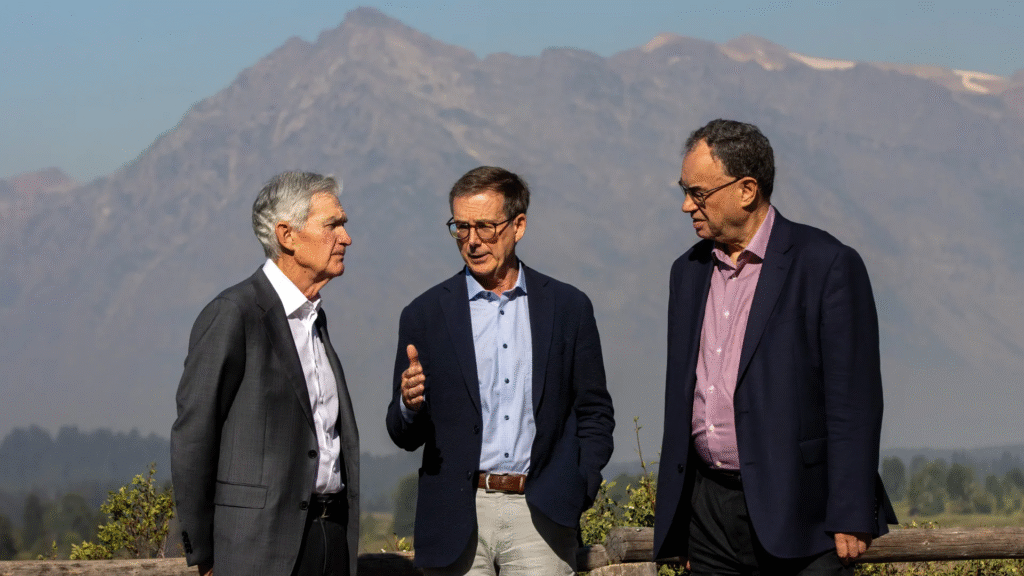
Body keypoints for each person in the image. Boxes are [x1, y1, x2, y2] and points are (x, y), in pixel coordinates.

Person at [653, 120, 896, 575]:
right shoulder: (686, 272)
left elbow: (854, 400)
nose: (687, 206)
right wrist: (681, 516)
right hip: (708, 516)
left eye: (699, 194)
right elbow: (684, 394)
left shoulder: (825, 264)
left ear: (746, 190)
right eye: (685, 191)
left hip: (802, 514)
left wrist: (851, 509)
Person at [386, 166, 615, 575]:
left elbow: (594, 411)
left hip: (541, 514)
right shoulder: (425, 314)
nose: (472, 241)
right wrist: (409, 404)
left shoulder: (568, 307)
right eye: (461, 227)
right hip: (455, 518)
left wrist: (580, 484)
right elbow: (403, 434)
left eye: (486, 227)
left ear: (518, 225)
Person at [171, 172, 359, 576]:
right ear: (287, 236)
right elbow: (194, 436)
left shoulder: (314, 319)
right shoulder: (234, 313)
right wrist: (204, 553)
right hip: (256, 550)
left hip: (329, 539)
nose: (345, 238)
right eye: (332, 225)